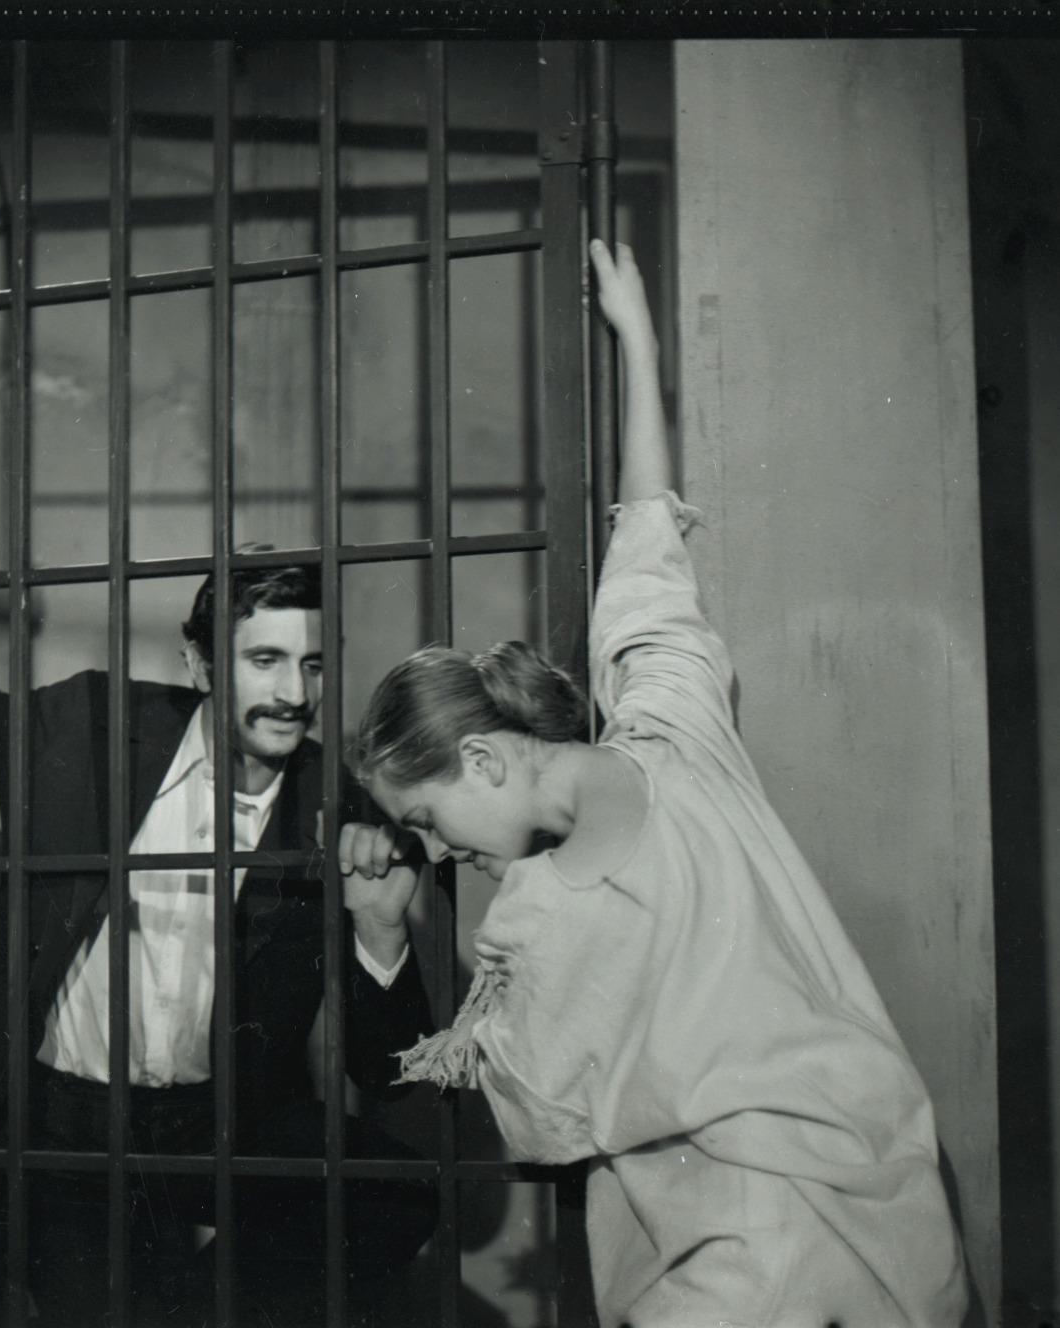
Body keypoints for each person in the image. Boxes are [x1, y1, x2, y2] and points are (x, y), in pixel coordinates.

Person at [352, 240, 969, 1327]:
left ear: (483, 759)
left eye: (426, 818)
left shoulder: (536, 918)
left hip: (743, 1269)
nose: (437, 850)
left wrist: (386, 936)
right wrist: (636, 339)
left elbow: (530, 1117)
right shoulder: (679, 727)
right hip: (882, 1206)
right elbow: (647, 540)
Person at [0, 372, 436, 1326]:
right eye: (263, 660)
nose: (294, 695)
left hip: (221, 1127)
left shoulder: (340, 806)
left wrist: (382, 938)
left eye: (312, 664)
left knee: (395, 1192)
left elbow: (389, 1073)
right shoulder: (83, 731)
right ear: (199, 664)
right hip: (67, 1123)